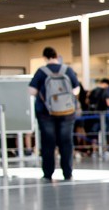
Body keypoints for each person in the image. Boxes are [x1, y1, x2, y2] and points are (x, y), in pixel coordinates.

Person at [28, 46, 80, 182]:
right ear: (57, 56)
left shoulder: (41, 72)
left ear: (44, 57)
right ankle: (67, 173)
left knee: (48, 143)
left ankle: (48, 173)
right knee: (66, 142)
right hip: (67, 112)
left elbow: (31, 91)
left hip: (46, 113)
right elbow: (76, 89)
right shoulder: (67, 70)